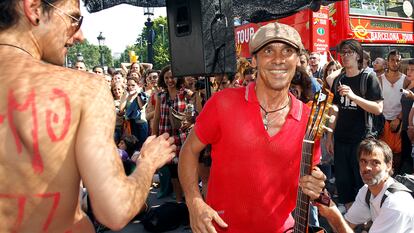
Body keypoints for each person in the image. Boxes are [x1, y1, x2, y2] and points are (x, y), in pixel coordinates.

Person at [0, 0, 176, 232]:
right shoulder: (83, 89)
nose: (80, 35)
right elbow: (115, 209)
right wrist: (148, 163)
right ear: (33, 8)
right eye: (74, 19)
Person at [178, 22, 326, 233]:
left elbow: (309, 177)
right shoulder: (223, 103)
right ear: (254, 60)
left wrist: (317, 186)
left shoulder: (309, 120)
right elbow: (189, 151)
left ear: (297, 60)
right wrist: (194, 202)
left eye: (287, 51)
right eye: (268, 51)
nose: (278, 59)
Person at [326, 39, 383, 211]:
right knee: (344, 183)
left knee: (363, 182)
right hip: (341, 140)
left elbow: (378, 108)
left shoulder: (368, 78)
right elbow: (335, 109)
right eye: (342, 53)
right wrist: (330, 136)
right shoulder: (339, 80)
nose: (345, 56)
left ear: (358, 55)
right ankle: (353, 220)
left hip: (361, 140)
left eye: (349, 52)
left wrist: (354, 97)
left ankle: (368, 220)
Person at [318, 139, 414, 233]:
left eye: (375, 162)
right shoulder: (367, 191)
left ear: (388, 166)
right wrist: (324, 201)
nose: (367, 167)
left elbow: (341, 225)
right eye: (363, 161)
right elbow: (345, 225)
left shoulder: (395, 204)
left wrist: (332, 214)